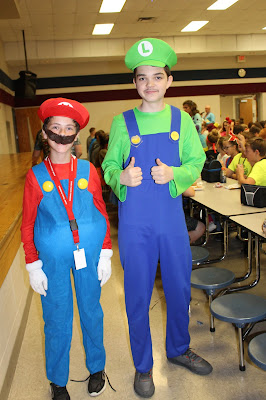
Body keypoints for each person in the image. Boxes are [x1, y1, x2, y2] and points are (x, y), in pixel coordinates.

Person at [102, 37, 212, 399]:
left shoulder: (182, 120)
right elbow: (108, 165)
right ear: (135, 83)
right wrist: (121, 177)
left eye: (157, 76)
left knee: (180, 289)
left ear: (169, 81)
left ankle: (179, 349)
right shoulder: (122, 122)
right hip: (135, 226)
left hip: (170, 221)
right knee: (137, 294)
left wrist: (175, 176)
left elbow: (197, 163)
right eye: (142, 78)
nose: (149, 84)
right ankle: (143, 365)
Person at [21, 98, 113, 400]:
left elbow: (100, 210)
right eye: (55, 128)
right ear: (45, 134)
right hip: (52, 262)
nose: (63, 134)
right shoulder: (35, 177)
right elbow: (28, 223)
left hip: (88, 256)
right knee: (57, 318)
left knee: (91, 311)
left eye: (69, 128)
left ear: (76, 134)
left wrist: (106, 253)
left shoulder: (88, 169)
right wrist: (32, 264)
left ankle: (97, 367)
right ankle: (58, 381)